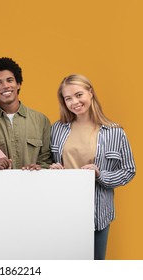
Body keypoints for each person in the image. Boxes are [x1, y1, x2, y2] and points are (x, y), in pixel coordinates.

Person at [50, 74, 136, 260]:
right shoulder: (57, 129)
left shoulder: (114, 132)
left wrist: (100, 175)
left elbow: (129, 170)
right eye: (68, 98)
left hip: (98, 212)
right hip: (63, 210)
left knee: (95, 266)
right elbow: (48, 162)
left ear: (90, 93)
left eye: (79, 94)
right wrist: (53, 170)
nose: (74, 102)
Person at [0, 57, 52, 170]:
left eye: (10, 80)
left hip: (35, 186)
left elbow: (47, 160)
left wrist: (39, 168)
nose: (5, 86)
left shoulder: (41, 120)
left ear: (18, 84)